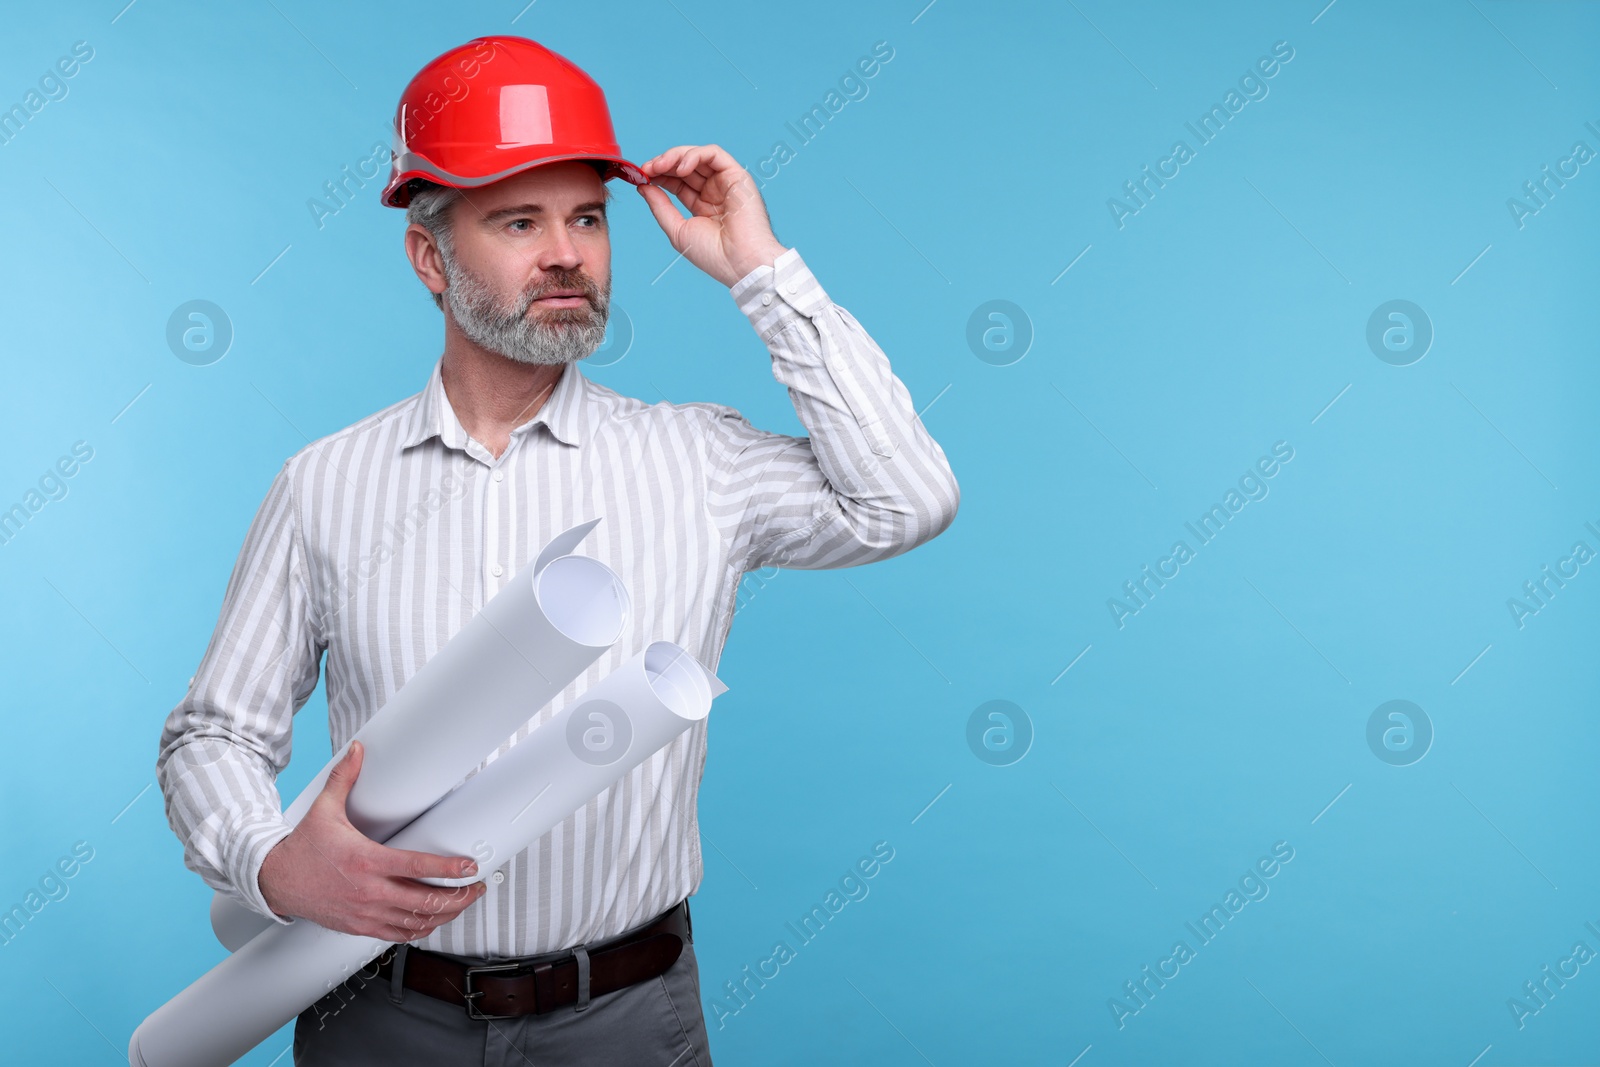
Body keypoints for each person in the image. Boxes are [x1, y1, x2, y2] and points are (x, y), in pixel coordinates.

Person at [155, 34, 958, 1065]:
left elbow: (906, 499)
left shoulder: (695, 460)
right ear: (430, 256)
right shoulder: (326, 485)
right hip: (380, 1015)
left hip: (624, 1017)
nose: (568, 252)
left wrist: (760, 270)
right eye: (519, 220)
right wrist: (266, 864)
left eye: (587, 216)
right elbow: (213, 733)